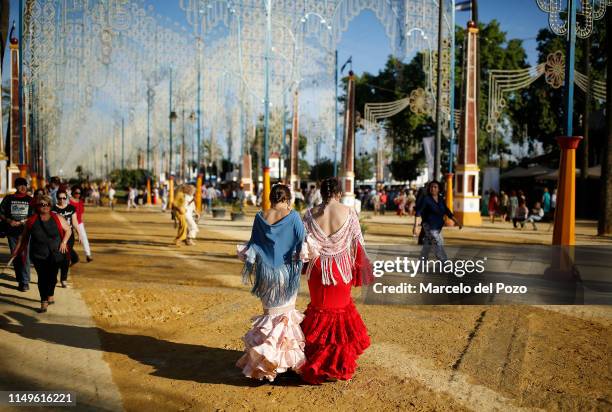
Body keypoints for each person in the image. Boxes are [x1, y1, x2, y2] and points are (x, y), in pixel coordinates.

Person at [300, 177, 373, 384]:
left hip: (317, 270)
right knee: (339, 314)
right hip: (340, 270)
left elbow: (303, 246)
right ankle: (336, 365)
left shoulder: (309, 214)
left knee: (318, 310)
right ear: (339, 193)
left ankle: (315, 362)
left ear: (321, 193)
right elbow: (358, 244)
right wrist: (360, 270)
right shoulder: (349, 213)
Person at [236, 184, 306, 382]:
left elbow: (253, 244)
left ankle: (266, 362)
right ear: (287, 198)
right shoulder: (293, 217)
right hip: (286, 273)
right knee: (285, 319)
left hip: (265, 274)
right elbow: (303, 243)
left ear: (271, 198)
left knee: (270, 318)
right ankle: (285, 364)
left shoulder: (260, 217)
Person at [13, 195, 71, 313]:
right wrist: (16, 251)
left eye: (47, 204)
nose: (44, 207)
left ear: (50, 206)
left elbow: (68, 230)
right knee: (42, 278)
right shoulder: (31, 221)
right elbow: (23, 237)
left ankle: (50, 293)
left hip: (56, 253)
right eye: (41, 205)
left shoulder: (57, 218)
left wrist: (64, 242)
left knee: (52, 277)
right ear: (37, 206)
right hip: (38, 254)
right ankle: (44, 301)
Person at [413, 180, 462, 262]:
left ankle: (421, 263)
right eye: (431, 187)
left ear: (439, 189)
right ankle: (446, 264)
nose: (433, 188)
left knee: (427, 247)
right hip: (429, 227)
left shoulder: (440, 199)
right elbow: (418, 212)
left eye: (435, 187)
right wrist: (416, 227)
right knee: (438, 244)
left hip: (437, 228)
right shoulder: (426, 199)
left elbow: (447, 211)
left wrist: (457, 222)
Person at [0, 177, 33, 291]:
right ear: (16, 187)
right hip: (11, 232)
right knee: (15, 255)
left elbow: (33, 215)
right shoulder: (9, 198)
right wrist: (9, 221)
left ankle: (25, 281)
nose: (23, 187)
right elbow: (1, 212)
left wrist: (23, 222)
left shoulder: (30, 200)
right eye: (20, 185)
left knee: (24, 256)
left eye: (25, 185)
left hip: (25, 232)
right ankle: (20, 279)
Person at [53, 189, 79, 287]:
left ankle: (63, 279)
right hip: (57, 236)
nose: (62, 200)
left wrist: (79, 233)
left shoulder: (71, 208)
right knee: (56, 258)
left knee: (66, 258)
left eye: (64, 198)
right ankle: (53, 277)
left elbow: (75, 222)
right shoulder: (53, 209)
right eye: (60, 198)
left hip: (69, 236)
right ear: (57, 198)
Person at [70, 186, 93, 262]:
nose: (78, 194)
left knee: (84, 238)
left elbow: (81, 213)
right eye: (76, 193)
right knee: (68, 240)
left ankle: (88, 255)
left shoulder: (80, 202)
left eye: (79, 193)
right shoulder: (69, 201)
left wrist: (80, 223)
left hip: (79, 222)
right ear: (72, 192)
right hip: (69, 223)